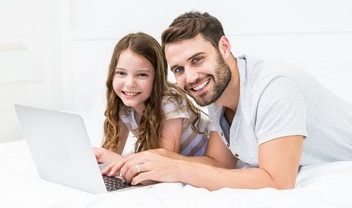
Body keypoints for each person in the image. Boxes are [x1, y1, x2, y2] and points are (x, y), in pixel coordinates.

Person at [102, 11, 352, 190]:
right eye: (178, 69)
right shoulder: (215, 92)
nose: (189, 77)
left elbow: (278, 181)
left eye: (197, 59)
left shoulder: (274, 88)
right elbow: (219, 162)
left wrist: (177, 170)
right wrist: (156, 158)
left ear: (224, 46)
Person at [94, 32, 211, 166]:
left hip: (207, 160)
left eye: (142, 75)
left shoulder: (170, 103)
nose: (130, 83)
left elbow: (162, 163)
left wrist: (103, 155)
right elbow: (111, 152)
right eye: (121, 73)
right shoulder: (123, 106)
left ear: (157, 78)